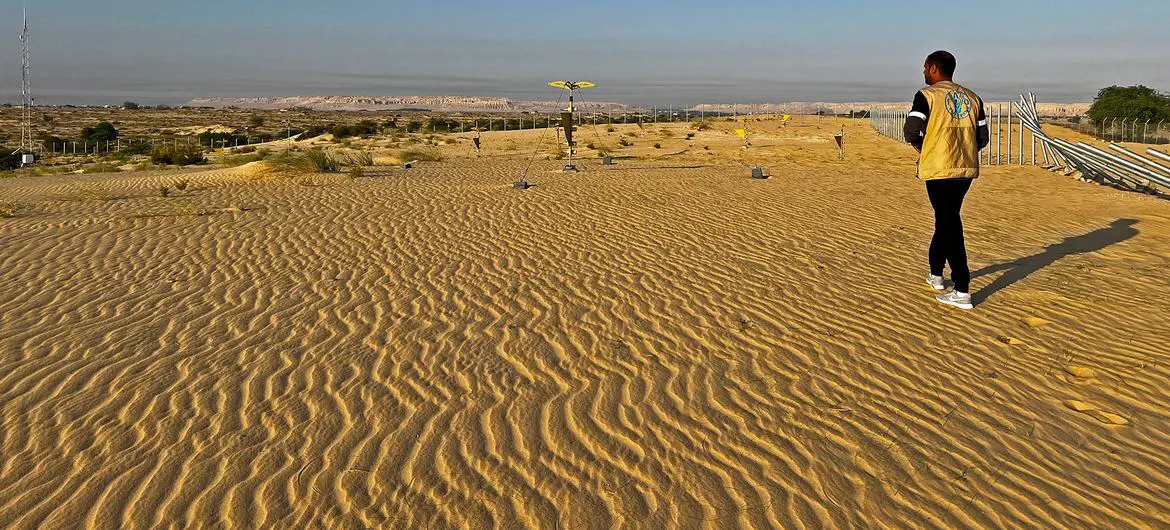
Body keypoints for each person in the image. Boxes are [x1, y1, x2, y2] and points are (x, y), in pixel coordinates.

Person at [903, 50, 990, 310]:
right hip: (965, 169)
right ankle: (936, 275)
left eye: (924, 68)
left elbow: (911, 130)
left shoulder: (926, 95)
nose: (923, 72)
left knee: (949, 222)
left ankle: (962, 288)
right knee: (947, 218)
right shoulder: (973, 98)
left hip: (939, 167)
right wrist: (963, 148)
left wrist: (922, 146)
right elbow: (982, 138)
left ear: (932, 68)